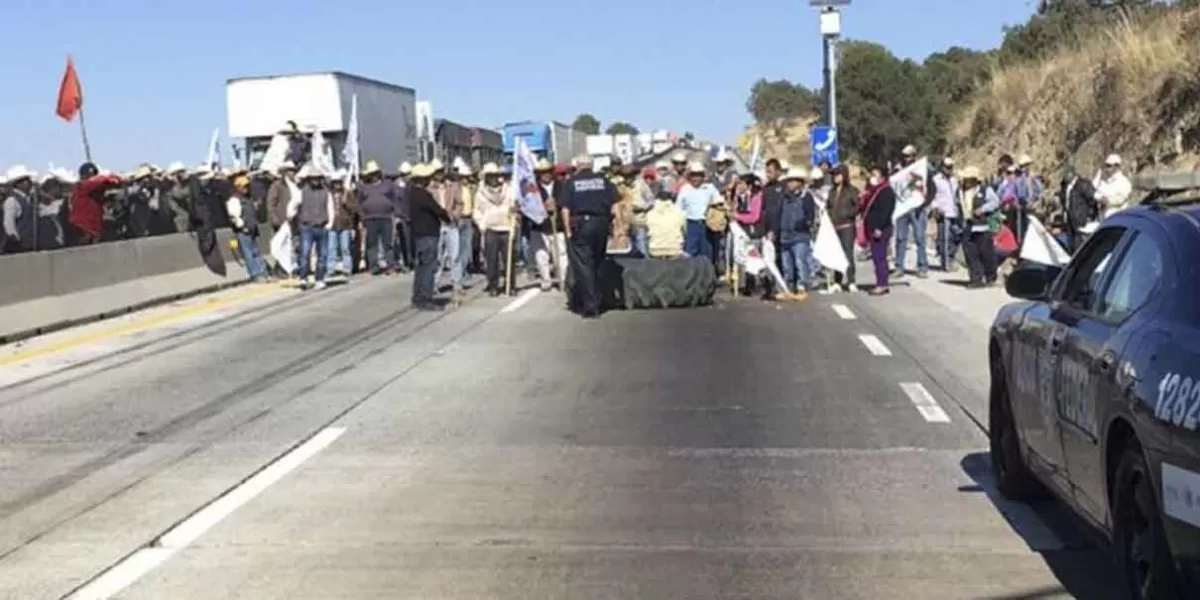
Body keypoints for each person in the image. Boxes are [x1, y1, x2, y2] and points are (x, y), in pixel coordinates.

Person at [561, 155, 617, 318]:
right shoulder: (604, 181)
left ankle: (591, 306)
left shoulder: (571, 182)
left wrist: (568, 230)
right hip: (601, 224)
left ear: (578, 165)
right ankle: (600, 297)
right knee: (597, 262)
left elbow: (565, 208)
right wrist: (613, 225)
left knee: (584, 265)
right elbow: (614, 205)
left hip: (581, 225)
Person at [408, 163, 453, 310]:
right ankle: (426, 298)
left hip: (418, 234)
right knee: (428, 266)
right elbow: (437, 210)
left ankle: (417, 296)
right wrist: (447, 218)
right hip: (428, 234)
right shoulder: (423, 194)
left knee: (420, 266)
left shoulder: (410, 193)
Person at [286, 165, 336, 290]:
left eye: (317, 178)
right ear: (309, 179)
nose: (315, 180)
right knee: (305, 253)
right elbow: (293, 205)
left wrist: (330, 224)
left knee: (323, 254)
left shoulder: (326, 192)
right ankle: (303, 278)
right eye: (313, 178)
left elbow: (331, 208)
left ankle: (319, 278)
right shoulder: (301, 192)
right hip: (306, 226)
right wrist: (290, 215)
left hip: (322, 226)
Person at [771, 168, 816, 298]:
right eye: (789, 181)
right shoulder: (783, 198)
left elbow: (810, 216)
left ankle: (802, 287)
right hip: (785, 236)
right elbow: (778, 215)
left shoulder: (806, 197)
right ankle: (788, 288)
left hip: (800, 236)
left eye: (793, 181)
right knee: (786, 264)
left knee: (800, 262)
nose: (790, 184)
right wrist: (774, 230)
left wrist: (803, 224)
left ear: (800, 182)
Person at [472, 162, 514, 296]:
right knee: (491, 259)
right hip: (490, 229)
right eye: (490, 176)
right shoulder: (480, 193)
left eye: (495, 175)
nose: (493, 178)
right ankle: (493, 285)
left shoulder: (508, 189)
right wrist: (482, 225)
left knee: (509, 258)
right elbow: (476, 211)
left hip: (506, 227)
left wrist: (514, 212)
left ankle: (510, 284)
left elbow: (514, 205)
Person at [958, 166, 1001, 288]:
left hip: (982, 227)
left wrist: (982, 209)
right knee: (971, 254)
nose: (966, 182)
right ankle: (975, 278)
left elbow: (995, 202)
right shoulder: (960, 191)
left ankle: (990, 277)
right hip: (967, 226)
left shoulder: (985, 190)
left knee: (986, 253)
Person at [357, 160, 400, 275]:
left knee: (388, 243)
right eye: (371, 174)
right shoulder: (363, 187)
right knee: (372, 244)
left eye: (375, 173)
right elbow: (359, 203)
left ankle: (390, 265)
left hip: (386, 217)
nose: (373, 176)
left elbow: (394, 199)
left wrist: (395, 213)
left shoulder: (388, 185)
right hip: (370, 219)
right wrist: (362, 217)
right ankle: (373, 266)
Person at [860, 165, 898, 296]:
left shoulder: (886, 191)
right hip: (872, 227)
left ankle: (882, 284)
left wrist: (878, 228)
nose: (872, 177)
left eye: (875, 174)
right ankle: (881, 282)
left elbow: (885, 212)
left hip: (881, 229)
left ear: (882, 177)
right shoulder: (872, 191)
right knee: (877, 257)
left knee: (879, 257)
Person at [531, 159, 568, 290]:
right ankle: (546, 281)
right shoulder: (532, 187)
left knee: (561, 255)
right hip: (539, 226)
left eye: (548, 171)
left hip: (557, 226)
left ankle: (564, 280)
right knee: (541, 256)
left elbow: (567, 203)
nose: (546, 174)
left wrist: (556, 205)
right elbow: (529, 205)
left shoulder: (561, 185)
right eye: (542, 172)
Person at [225, 171, 269, 282]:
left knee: (256, 251)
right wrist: (242, 226)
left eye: (247, 186)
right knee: (248, 253)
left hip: (252, 228)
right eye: (244, 186)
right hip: (244, 230)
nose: (246, 188)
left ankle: (263, 272)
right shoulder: (234, 199)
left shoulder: (247, 198)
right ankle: (256, 274)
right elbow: (234, 216)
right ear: (238, 187)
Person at [675, 161, 721, 261]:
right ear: (690, 177)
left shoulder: (710, 188)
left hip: (707, 225)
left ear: (703, 176)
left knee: (707, 253)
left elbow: (720, 202)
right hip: (691, 224)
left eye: (699, 175)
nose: (696, 178)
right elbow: (678, 209)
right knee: (689, 253)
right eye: (693, 175)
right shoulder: (685, 189)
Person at [826, 164, 859, 292]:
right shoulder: (832, 192)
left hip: (847, 226)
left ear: (844, 175)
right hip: (834, 226)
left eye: (837, 174)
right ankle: (838, 281)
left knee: (848, 253)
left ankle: (851, 280)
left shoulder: (851, 190)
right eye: (833, 175)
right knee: (836, 254)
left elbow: (858, 206)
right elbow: (828, 206)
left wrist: (849, 214)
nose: (835, 177)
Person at [929, 157, 961, 273]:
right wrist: (936, 208)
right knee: (945, 239)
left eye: (951, 167)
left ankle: (951, 257)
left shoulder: (954, 180)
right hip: (943, 213)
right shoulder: (935, 180)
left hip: (954, 213)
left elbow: (957, 196)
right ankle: (946, 263)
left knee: (957, 237)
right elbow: (931, 196)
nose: (949, 169)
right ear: (942, 167)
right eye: (947, 167)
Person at [327, 174, 357, 277]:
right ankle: (330, 269)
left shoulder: (347, 194)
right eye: (335, 182)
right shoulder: (329, 194)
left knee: (345, 248)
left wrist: (346, 204)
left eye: (339, 182)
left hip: (345, 225)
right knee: (331, 248)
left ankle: (347, 268)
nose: (337, 185)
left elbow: (353, 210)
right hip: (332, 225)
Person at [2, 166, 36, 253]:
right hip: (20, 245)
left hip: (32, 244)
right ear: (18, 184)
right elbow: (9, 224)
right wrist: (16, 241)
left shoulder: (30, 200)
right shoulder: (12, 200)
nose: (29, 183)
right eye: (25, 180)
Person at [647, 189, 686, 259]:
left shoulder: (650, 214)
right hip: (674, 249)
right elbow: (684, 231)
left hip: (655, 249)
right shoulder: (680, 213)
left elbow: (647, 229)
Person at [1093, 153, 1132, 219]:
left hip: (1117, 219)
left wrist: (1107, 200)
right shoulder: (1101, 180)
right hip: (1101, 218)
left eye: (1109, 165)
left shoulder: (1124, 182)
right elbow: (1093, 191)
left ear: (1117, 167)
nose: (1107, 168)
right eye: (1106, 165)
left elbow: (1121, 198)